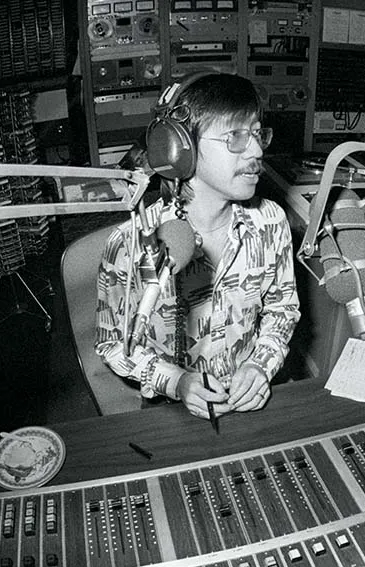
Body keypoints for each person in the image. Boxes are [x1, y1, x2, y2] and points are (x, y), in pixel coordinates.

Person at [95, 73, 300, 422]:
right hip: (172, 407)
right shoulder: (130, 243)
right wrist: (177, 382)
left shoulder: (272, 222)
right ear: (178, 150)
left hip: (250, 399)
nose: (257, 150)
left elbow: (282, 309)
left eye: (256, 133)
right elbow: (113, 343)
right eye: (235, 136)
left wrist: (259, 365)